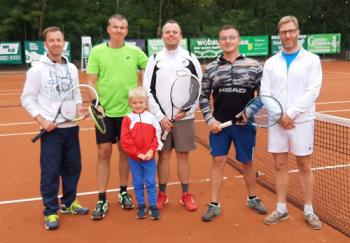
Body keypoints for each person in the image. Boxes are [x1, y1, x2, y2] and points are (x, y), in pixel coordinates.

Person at [21, 26, 89, 230]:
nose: (56, 44)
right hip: (51, 131)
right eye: (52, 40)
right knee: (50, 172)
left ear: (64, 43)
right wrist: (42, 120)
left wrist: (80, 108)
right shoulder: (36, 70)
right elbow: (27, 99)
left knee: (73, 168)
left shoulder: (71, 68)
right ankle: (50, 211)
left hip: (71, 128)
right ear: (46, 44)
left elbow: (76, 94)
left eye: (59, 40)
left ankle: (68, 203)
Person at [199, 25, 267, 222]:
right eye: (223, 38)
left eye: (231, 37)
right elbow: (203, 98)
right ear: (220, 42)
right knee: (218, 161)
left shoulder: (254, 66)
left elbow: (264, 95)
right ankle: (214, 204)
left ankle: (252, 198)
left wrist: (249, 112)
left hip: (245, 126)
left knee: (247, 162)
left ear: (238, 40)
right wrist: (210, 120)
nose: (227, 41)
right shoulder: (211, 68)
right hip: (219, 126)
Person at [261, 16, 322, 230]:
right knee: (279, 165)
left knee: (304, 165)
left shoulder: (312, 60)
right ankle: (281, 208)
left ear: (298, 32)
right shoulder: (270, 62)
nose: (287, 35)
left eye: (291, 31)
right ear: (279, 35)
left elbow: (313, 91)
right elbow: (265, 93)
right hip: (277, 123)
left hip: (302, 122)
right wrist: (279, 116)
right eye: (283, 32)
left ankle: (308, 210)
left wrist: (291, 114)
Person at [86, 14, 149, 220]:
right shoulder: (97, 51)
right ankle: (102, 197)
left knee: (125, 151)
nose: (119, 30)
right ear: (108, 29)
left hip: (128, 113)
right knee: (104, 153)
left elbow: (150, 70)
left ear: (127, 31)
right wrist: (96, 104)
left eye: (123, 27)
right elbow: (91, 81)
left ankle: (123, 191)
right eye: (115, 27)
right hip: (103, 111)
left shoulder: (135, 51)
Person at [143, 20, 202, 211]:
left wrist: (188, 108)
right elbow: (147, 89)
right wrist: (160, 117)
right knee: (164, 155)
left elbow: (198, 87)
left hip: (184, 117)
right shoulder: (154, 59)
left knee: (183, 155)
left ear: (180, 35)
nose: (171, 35)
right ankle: (162, 194)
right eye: (167, 32)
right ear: (162, 36)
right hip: (160, 119)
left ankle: (186, 194)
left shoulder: (191, 58)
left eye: (174, 32)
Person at [121, 87, 163, 220]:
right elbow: (125, 141)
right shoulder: (127, 119)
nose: (138, 105)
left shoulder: (151, 118)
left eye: (141, 102)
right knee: (137, 183)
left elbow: (157, 135)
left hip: (149, 158)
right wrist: (137, 154)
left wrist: (151, 150)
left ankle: (153, 206)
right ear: (130, 103)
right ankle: (141, 205)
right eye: (134, 103)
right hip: (135, 159)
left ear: (145, 103)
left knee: (150, 182)